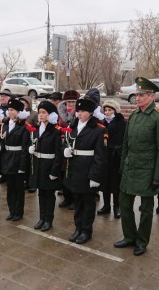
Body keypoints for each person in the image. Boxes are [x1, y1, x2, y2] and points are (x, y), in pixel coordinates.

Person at [114, 77, 159, 256]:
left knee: (146, 210)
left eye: (142, 95)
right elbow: (126, 144)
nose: (137, 98)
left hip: (148, 171)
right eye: (137, 94)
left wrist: (158, 177)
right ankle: (129, 236)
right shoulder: (134, 115)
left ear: (152, 96)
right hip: (131, 168)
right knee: (124, 204)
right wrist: (122, 166)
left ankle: (142, 241)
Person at [63, 98, 107, 244]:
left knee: (88, 203)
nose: (80, 114)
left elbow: (100, 156)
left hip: (88, 171)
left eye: (83, 111)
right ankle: (78, 227)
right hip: (75, 170)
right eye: (78, 111)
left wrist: (95, 176)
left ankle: (86, 230)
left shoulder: (98, 129)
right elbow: (67, 142)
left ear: (90, 113)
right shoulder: (73, 126)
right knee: (77, 202)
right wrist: (66, 151)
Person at [29, 100, 63, 231]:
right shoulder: (38, 129)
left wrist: (55, 171)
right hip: (39, 166)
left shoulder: (55, 131)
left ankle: (48, 219)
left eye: (44, 113)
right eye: (39, 113)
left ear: (51, 114)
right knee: (41, 194)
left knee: (49, 195)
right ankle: (41, 217)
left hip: (49, 167)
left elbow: (58, 153)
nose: (41, 115)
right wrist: (31, 149)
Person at [0, 99, 30, 220]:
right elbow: (3, 139)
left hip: (17, 159)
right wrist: (0, 147)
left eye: (12, 110)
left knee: (18, 188)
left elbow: (24, 148)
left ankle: (18, 212)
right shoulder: (6, 124)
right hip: (7, 157)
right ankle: (12, 210)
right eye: (9, 110)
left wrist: (23, 167)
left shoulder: (24, 127)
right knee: (10, 187)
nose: (10, 112)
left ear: (19, 112)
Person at [97, 99, 126, 218]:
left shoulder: (122, 122)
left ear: (115, 110)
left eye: (110, 110)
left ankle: (116, 206)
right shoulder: (103, 123)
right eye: (106, 110)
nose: (107, 112)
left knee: (115, 183)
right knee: (105, 182)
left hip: (116, 156)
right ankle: (106, 205)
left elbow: (124, 139)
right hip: (105, 156)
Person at [57, 90, 80, 210]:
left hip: (73, 144)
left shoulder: (79, 113)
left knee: (72, 173)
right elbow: (58, 125)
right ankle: (66, 198)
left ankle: (74, 199)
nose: (70, 104)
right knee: (62, 173)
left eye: (73, 102)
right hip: (62, 145)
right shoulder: (60, 112)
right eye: (68, 102)